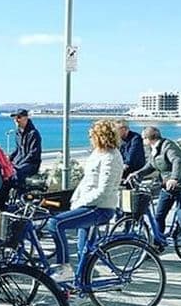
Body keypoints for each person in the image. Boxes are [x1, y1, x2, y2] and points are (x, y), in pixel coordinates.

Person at [46, 120, 124, 285]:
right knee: (84, 250)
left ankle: (63, 268)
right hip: (89, 205)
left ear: (100, 136)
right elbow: (87, 180)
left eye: (91, 136)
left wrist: (80, 203)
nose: (90, 139)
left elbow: (103, 189)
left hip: (99, 208)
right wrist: (75, 199)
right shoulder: (98, 153)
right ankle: (81, 285)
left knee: (55, 224)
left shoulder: (111, 157)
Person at [127, 126, 181, 271]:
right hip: (168, 187)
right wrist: (137, 174)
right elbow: (151, 165)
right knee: (159, 216)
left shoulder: (168, 146)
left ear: (149, 138)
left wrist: (174, 178)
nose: (143, 141)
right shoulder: (154, 150)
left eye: (143, 138)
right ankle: (157, 246)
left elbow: (177, 161)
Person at [9, 109, 42, 189]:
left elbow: (33, 154)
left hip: (31, 164)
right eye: (14, 118)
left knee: (16, 174)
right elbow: (18, 149)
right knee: (5, 172)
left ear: (26, 118)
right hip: (20, 162)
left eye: (18, 117)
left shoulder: (33, 134)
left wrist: (18, 165)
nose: (16, 120)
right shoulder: (18, 133)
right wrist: (8, 160)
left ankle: (20, 193)